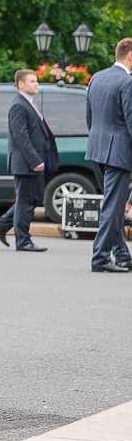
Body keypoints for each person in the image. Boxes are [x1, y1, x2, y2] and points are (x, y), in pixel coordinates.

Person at [0, 69, 56, 252]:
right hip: (26, 163)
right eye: (33, 81)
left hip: (33, 161)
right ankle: (23, 240)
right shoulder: (19, 105)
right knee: (25, 201)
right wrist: (34, 160)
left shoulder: (30, 103)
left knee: (33, 198)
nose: (37, 84)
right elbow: (21, 136)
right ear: (21, 84)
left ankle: (2, 223)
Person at [84, 37, 132, 273]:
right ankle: (101, 257)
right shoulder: (127, 81)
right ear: (130, 55)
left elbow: (89, 118)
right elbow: (131, 120)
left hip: (97, 148)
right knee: (113, 207)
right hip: (119, 151)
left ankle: (122, 255)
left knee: (111, 203)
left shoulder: (97, 77)